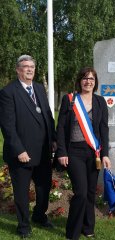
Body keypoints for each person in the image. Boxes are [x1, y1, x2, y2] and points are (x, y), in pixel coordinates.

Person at [0, 55, 56, 238]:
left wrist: (53, 139)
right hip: (22, 154)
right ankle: (23, 226)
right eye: (25, 66)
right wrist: (19, 150)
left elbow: (47, 115)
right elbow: (7, 126)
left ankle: (39, 216)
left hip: (43, 151)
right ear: (18, 69)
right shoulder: (8, 92)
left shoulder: (39, 88)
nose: (30, 69)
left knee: (43, 188)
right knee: (22, 193)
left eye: (32, 66)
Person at [56, 67, 111, 240]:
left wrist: (105, 154)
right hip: (74, 152)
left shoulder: (100, 101)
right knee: (80, 192)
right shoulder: (70, 100)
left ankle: (88, 228)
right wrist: (62, 152)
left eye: (92, 79)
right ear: (80, 81)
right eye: (85, 78)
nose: (88, 82)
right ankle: (72, 232)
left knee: (90, 192)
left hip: (94, 153)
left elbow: (104, 129)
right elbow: (61, 128)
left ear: (95, 83)